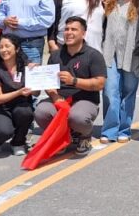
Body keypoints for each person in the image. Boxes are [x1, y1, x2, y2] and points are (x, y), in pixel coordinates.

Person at [35, 17, 106, 155]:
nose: (69, 32)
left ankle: (84, 136)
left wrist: (74, 81)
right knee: (41, 111)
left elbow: (100, 83)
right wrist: (54, 96)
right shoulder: (56, 55)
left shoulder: (93, 55)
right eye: (66, 29)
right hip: (60, 99)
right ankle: (61, 138)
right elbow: (48, 83)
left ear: (83, 33)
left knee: (77, 117)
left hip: (85, 100)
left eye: (74, 29)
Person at [100, 0, 139, 144]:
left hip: (131, 55)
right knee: (110, 91)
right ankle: (109, 130)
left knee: (128, 92)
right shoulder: (110, 1)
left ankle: (124, 129)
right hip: (110, 53)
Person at [0, 34, 35, 155]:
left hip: (20, 105)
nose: (4, 50)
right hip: (0, 108)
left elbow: (37, 92)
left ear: (16, 49)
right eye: (1, 47)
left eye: (7, 46)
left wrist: (37, 74)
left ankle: (18, 142)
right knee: (3, 131)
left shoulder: (27, 66)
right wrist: (19, 92)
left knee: (26, 112)